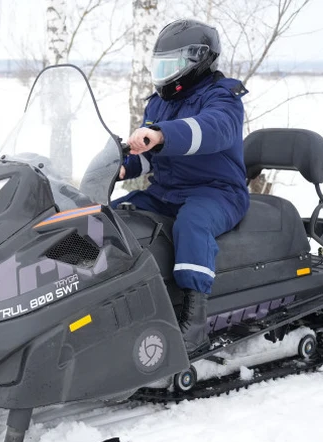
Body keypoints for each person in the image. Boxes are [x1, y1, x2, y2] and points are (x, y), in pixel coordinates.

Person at [113, 19, 249, 356]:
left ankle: (194, 321)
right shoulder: (158, 103)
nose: (165, 74)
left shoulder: (223, 99)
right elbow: (149, 154)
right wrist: (122, 166)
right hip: (166, 192)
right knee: (112, 216)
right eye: (160, 65)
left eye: (171, 65)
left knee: (192, 224)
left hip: (217, 192)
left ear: (197, 60)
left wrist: (162, 134)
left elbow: (211, 129)